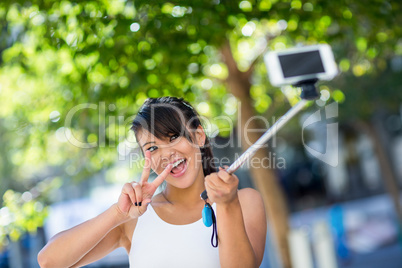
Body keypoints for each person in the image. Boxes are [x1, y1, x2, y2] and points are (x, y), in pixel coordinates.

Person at [38, 97, 267, 267]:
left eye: (173, 137)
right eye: (153, 148)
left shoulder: (243, 200)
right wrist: (118, 214)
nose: (166, 154)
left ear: (198, 136)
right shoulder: (134, 219)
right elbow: (49, 261)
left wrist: (226, 205)